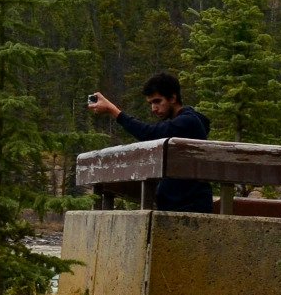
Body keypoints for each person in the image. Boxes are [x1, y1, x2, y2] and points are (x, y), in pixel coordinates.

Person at [87, 72, 214, 212]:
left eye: (157, 101)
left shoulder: (187, 122)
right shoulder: (185, 122)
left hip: (189, 206)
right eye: (151, 103)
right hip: (180, 205)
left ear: (173, 98)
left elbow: (148, 133)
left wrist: (113, 110)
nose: (153, 108)